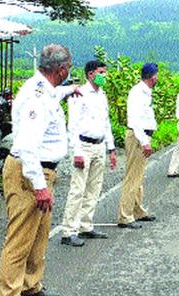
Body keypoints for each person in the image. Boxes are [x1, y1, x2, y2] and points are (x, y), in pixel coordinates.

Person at [0, 44, 80, 296]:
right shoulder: (37, 96)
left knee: (39, 234)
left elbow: (57, 94)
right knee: (21, 237)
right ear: (61, 69)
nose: (69, 73)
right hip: (29, 172)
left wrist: (71, 90)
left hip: (42, 171)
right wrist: (40, 186)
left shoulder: (47, 89)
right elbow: (28, 144)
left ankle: (30, 285)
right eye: (68, 69)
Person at [60, 60, 117, 247]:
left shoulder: (102, 95)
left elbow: (106, 122)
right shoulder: (79, 94)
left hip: (99, 145)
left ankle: (86, 225)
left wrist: (111, 148)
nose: (105, 75)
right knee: (78, 188)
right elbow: (73, 125)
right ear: (91, 74)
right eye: (102, 72)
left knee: (94, 188)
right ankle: (69, 231)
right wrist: (76, 152)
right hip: (83, 146)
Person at [117, 63, 158, 229]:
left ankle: (137, 210)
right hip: (138, 137)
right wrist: (144, 141)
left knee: (138, 177)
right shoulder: (138, 93)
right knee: (133, 177)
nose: (157, 78)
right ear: (152, 76)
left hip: (141, 136)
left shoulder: (146, 92)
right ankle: (125, 216)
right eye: (156, 75)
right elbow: (135, 120)